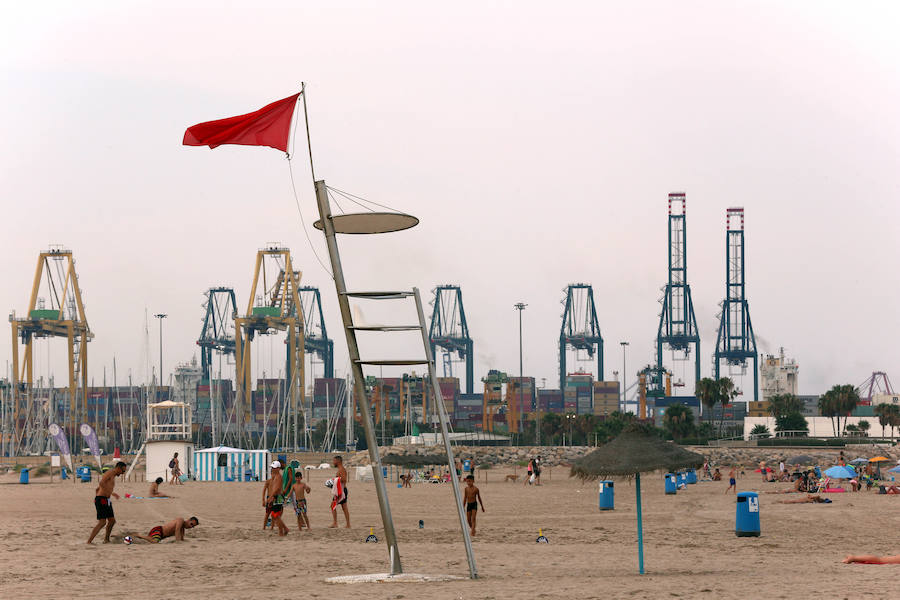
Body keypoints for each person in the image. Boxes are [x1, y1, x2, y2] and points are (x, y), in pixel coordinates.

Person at [87, 461, 127, 544]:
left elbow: (98, 488)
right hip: (101, 499)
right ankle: (89, 541)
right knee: (102, 522)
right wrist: (110, 493)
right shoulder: (110, 473)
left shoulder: (113, 475)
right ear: (118, 468)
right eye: (123, 471)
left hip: (106, 500)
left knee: (112, 521)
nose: (123, 473)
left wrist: (106, 494)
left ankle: (106, 539)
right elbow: (101, 483)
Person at [263, 461, 289, 536]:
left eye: (274, 468)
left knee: (275, 515)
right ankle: (284, 529)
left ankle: (282, 530)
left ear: (278, 468)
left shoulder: (278, 477)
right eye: (272, 468)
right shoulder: (275, 477)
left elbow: (277, 488)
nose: (273, 469)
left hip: (278, 497)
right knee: (275, 515)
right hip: (276, 497)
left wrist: (271, 497)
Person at [133, 517, 199, 543]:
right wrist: (178, 542)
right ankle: (138, 535)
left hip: (161, 535)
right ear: (188, 520)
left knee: (153, 541)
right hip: (158, 530)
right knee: (155, 541)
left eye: (193, 526)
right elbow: (177, 531)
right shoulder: (180, 520)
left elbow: (181, 539)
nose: (191, 527)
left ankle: (139, 537)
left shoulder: (183, 529)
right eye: (191, 524)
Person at [330, 455, 350, 529]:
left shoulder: (341, 469)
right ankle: (347, 524)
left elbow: (344, 479)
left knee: (333, 506)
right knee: (343, 507)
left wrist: (335, 480)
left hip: (341, 491)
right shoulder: (340, 469)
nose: (333, 462)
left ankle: (336, 523)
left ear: (338, 461)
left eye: (334, 461)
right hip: (341, 490)